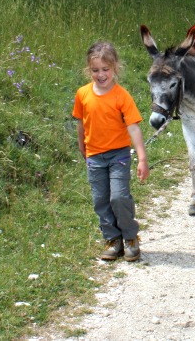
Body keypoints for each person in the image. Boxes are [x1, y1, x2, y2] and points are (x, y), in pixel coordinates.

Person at [72, 42, 150, 262]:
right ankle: (112, 239)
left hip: (119, 156)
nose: (101, 74)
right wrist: (82, 146)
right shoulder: (83, 94)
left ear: (115, 68)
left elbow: (133, 127)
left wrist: (142, 159)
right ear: (89, 70)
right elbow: (81, 123)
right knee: (101, 200)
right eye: (95, 70)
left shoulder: (121, 96)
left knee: (118, 197)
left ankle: (130, 237)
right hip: (95, 156)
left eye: (105, 69)